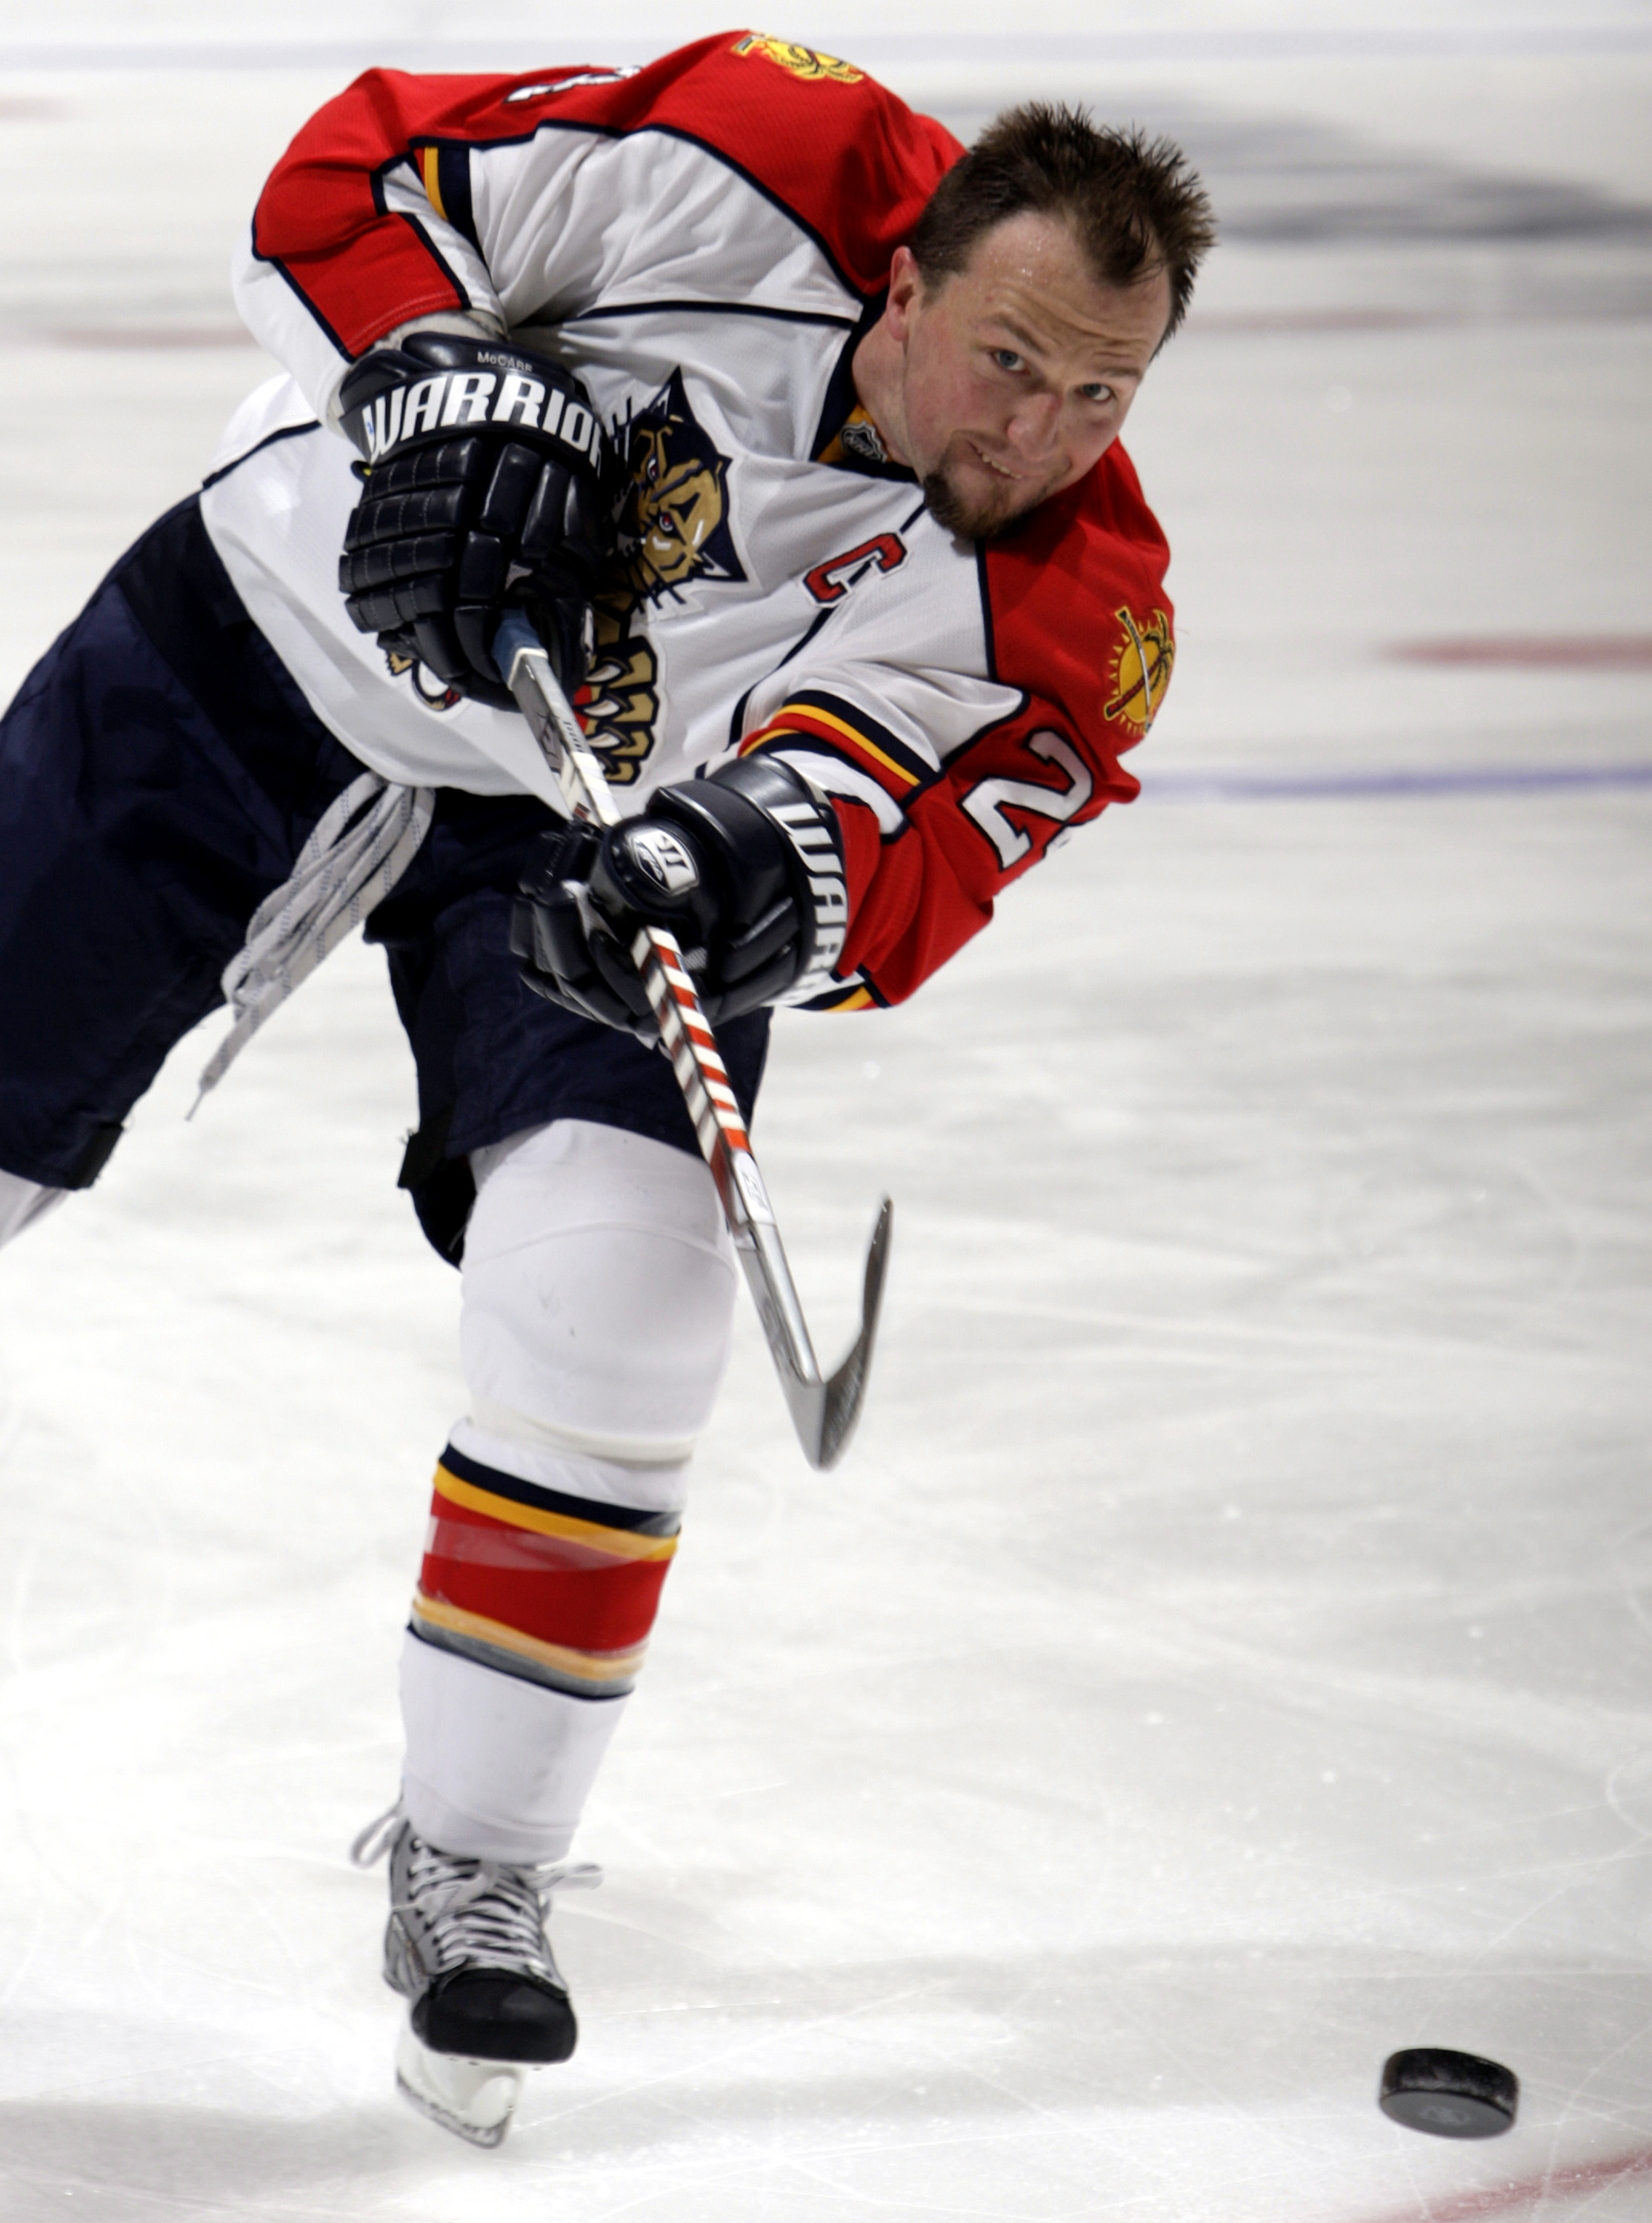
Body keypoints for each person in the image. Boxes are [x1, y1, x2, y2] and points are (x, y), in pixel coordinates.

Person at [0, 30, 1213, 2145]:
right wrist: (442, 374)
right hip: (253, 655)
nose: (1043, 434)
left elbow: (908, 837)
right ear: (907, 283)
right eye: (1011, 360)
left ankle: (479, 1864)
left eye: (1104, 393)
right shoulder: (751, 145)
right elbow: (347, 187)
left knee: (622, 1306)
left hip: (582, 828)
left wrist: (754, 864)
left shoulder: (1072, 604)